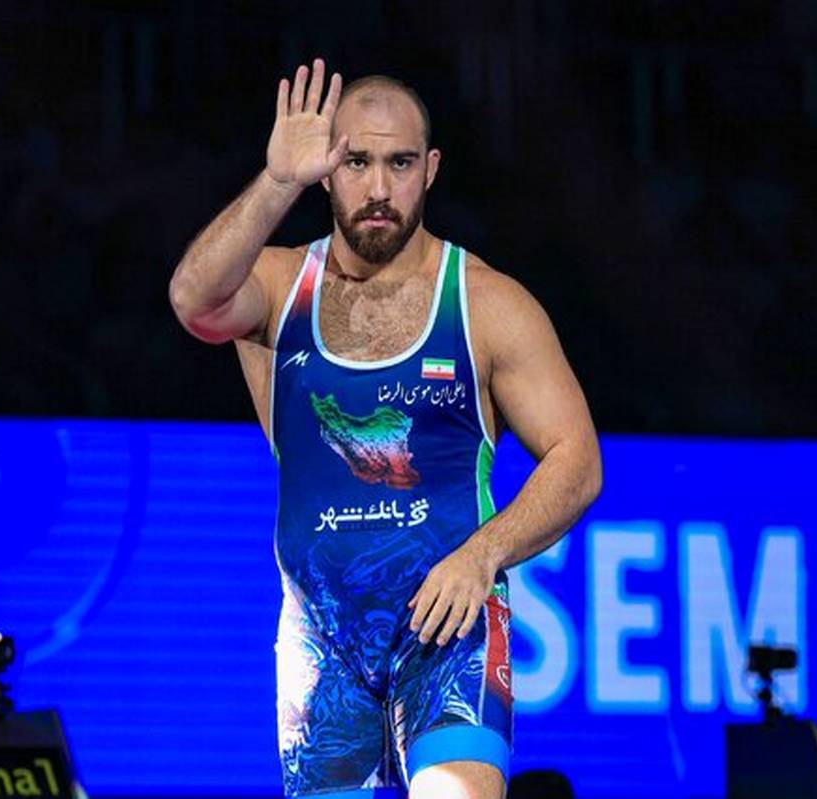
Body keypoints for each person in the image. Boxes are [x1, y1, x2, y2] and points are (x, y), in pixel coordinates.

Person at [169, 58, 602, 799]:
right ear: (327, 172)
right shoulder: (278, 286)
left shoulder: (487, 303)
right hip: (322, 639)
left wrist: (483, 555)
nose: (378, 188)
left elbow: (578, 460)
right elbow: (194, 302)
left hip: (448, 628)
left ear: (429, 169)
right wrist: (277, 180)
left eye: (399, 163)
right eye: (356, 162)